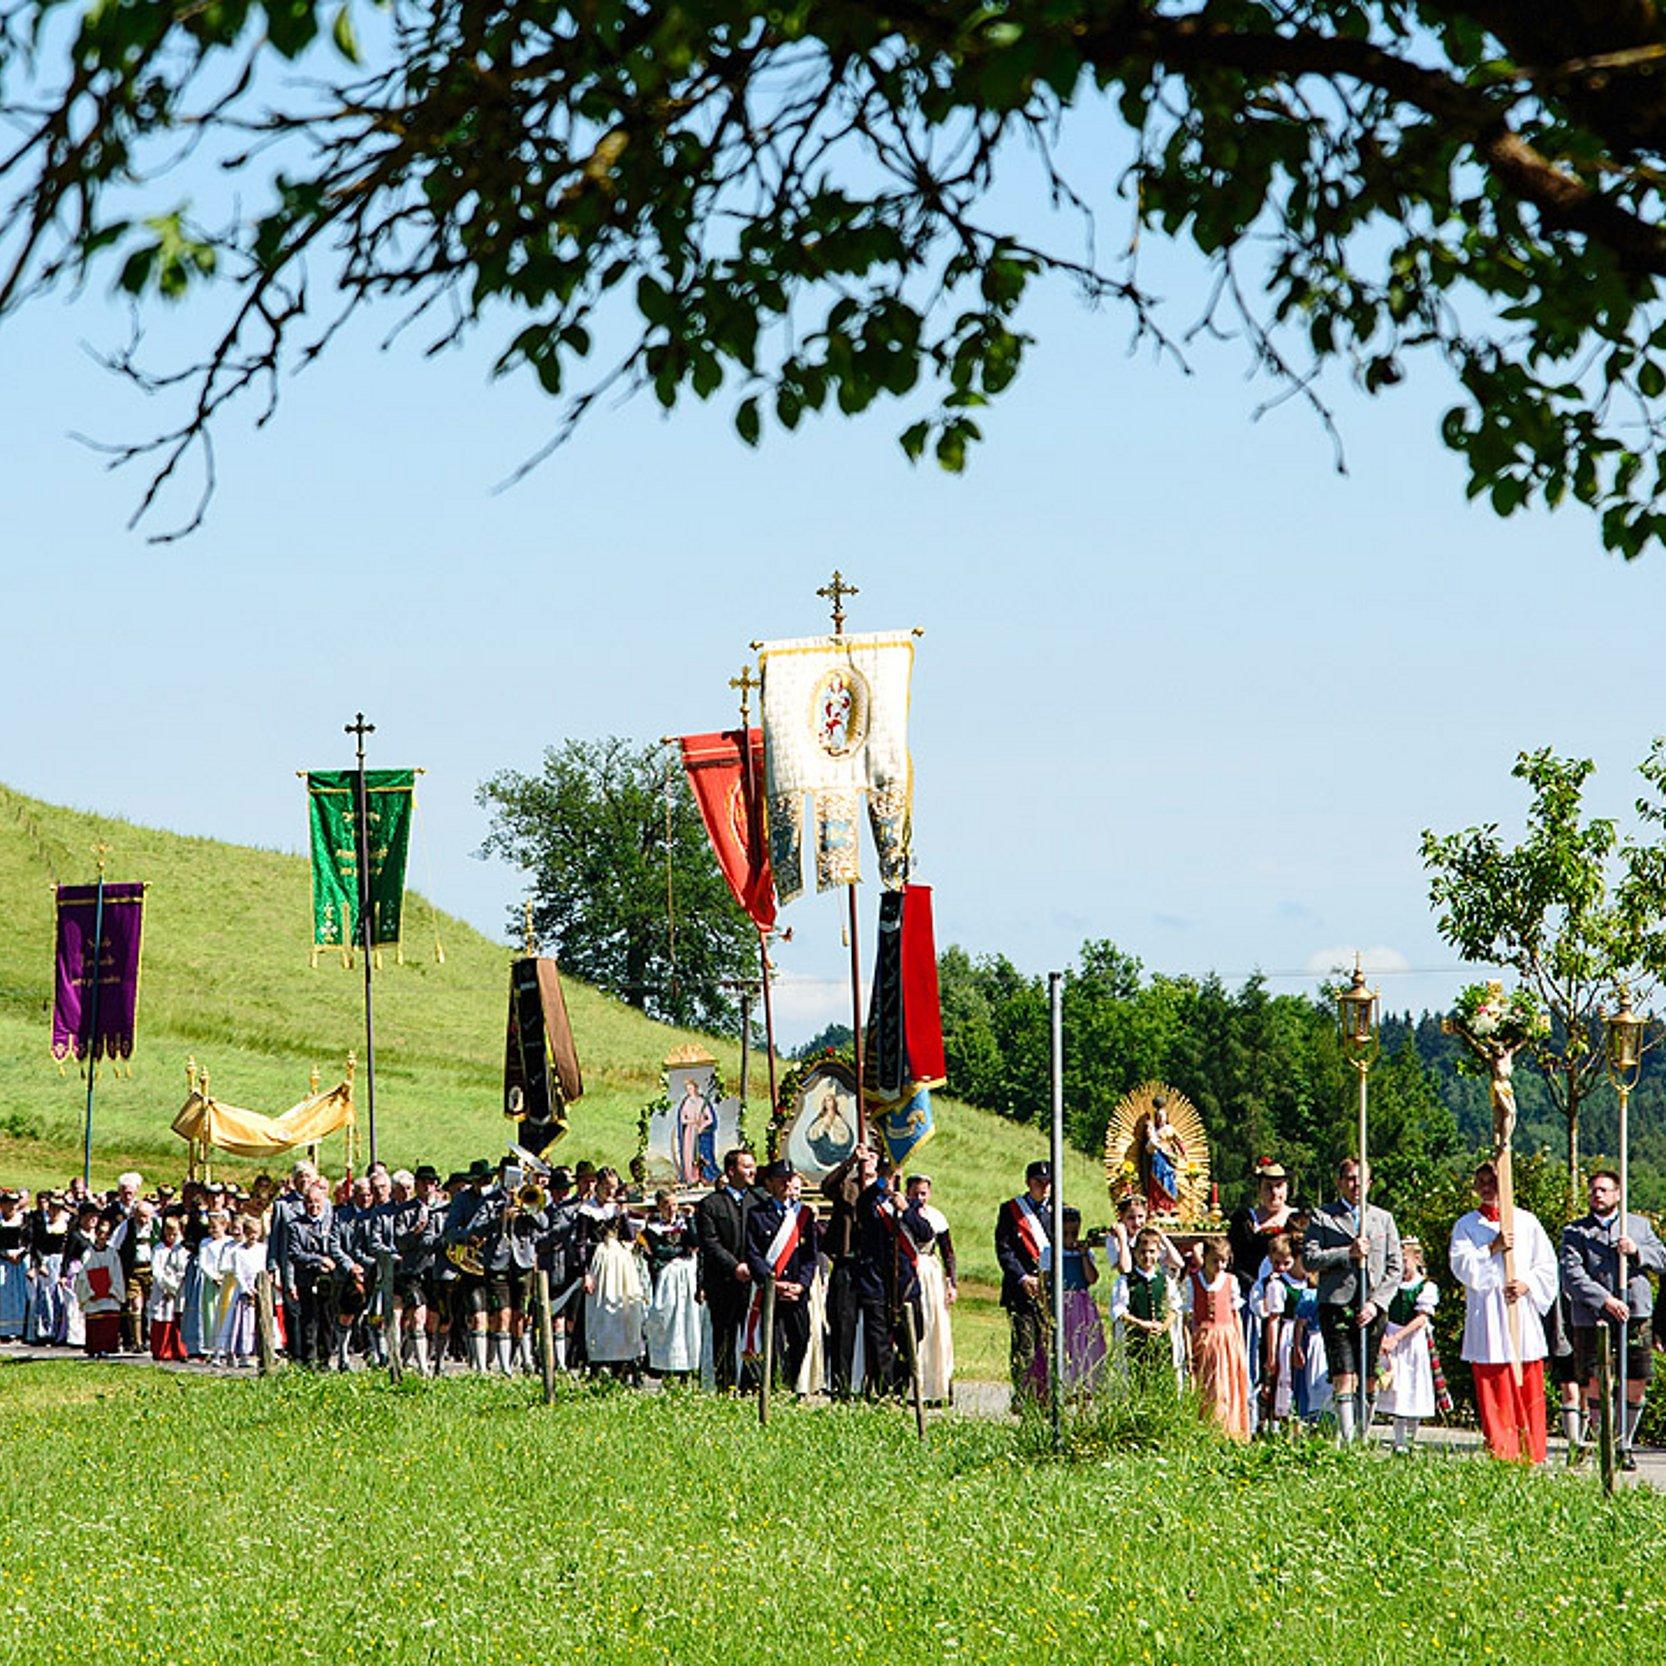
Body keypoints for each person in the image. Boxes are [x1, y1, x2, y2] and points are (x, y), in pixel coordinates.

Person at [1449, 1159, 1558, 1463]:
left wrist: (1527, 1284)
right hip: (1488, 1316)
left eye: (1492, 1181)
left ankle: (1532, 1452)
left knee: (1527, 1383)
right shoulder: (1466, 1225)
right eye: (1481, 1181)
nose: (1486, 1187)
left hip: (1519, 1313)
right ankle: (1502, 1451)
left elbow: (1547, 1266)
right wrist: (1492, 1248)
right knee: (1494, 1386)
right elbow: (1461, 1266)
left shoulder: (1526, 1222)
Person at [1559, 1168, 1666, 1470]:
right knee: (1594, 1380)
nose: (1598, 1194)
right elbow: (1571, 1275)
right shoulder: (1575, 1232)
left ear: (1618, 1194)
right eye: (1594, 1190)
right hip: (1593, 1317)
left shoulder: (1638, 1226)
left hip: (1635, 1313)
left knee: (1636, 1379)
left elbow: (1663, 1260)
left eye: (1604, 1189)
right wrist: (1604, 1299)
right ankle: (1604, 1442)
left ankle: (1625, 1443)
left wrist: (1636, 1251)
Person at [1301, 1156, 1402, 1444]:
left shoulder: (1383, 1219)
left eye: (1361, 1179)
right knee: (1344, 1372)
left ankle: (1363, 1434)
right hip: (1337, 1305)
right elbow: (1310, 1259)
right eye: (1349, 1178)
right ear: (1339, 1182)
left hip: (1373, 1307)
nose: (1356, 1185)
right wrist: (1348, 1253)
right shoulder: (1323, 1217)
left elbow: (1394, 1267)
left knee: (1369, 1374)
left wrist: (1376, 1303)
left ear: (1370, 1183)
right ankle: (1346, 1439)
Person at [743, 1160, 821, 1390]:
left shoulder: (803, 1214)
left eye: (789, 1179)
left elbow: (810, 1256)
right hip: (772, 1291)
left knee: (801, 1338)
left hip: (796, 1292)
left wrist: (801, 1285)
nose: (787, 1183)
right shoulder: (757, 1214)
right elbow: (753, 1253)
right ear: (770, 1184)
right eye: (781, 1179)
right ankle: (773, 1386)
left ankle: (791, 1383)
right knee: (772, 1342)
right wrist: (772, 1283)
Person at [695, 1147, 759, 1391]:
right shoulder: (711, 1204)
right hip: (723, 1281)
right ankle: (725, 1383)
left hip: (753, 1281)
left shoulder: (758, 1201)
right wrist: (734, 1266)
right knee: (724, 1334)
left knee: (752, 1334)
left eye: (752, 1165)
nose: (752, 1170)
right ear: (731, 1171)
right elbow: (710, 1243)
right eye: (746, 1166)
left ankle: (750, 1383)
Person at [819, 1146, 875, 1399]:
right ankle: (840, 1386)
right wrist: (850, 1162)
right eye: (866, 1156)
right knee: (843, 1326)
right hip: (847, 1263)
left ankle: (874, 1385)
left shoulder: (886, 1190)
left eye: (873, 1156)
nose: (868, 1161)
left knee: (876, 1330)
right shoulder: (848, 1186)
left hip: (874, 1268)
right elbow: (827, 1186)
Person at [996, 1160, 1052, 1405]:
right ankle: (1023, 1394)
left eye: (1048, 1183)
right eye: (1039, 1183)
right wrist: (1022, 1277)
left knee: (1048, 1345)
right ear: (1028, 1183)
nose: (1045, 1188)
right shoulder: (1010, 1210)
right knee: (1024, 1345)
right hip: (1021, 1289)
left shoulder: (1060, 1212)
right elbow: (1004, 1249)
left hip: (1049, 1289)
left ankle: (1047, 1394)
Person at [1183, 1237, 1250, 1441]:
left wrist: (1240, 1344)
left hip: (1227, 1338)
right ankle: (1207, 1430)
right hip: (1204, 1339)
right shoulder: (1193, 1282)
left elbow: (1235, 1315)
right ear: (1204, 1258)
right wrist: (1188, 1349)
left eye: (1224, 1261)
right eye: (1215, 1261)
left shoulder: (1230, 1281)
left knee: (1227, 1384)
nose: (1220, 1266)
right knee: (1208, 1385)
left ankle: (1229, 1431)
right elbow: (1188, 1318)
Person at [1376, 1236, 1440, 1453]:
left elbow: (1421, 1318)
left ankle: (1411, 1438)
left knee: (1414, 1386)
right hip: (1390, 1338)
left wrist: (1397, 1337)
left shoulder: (1425, 1286)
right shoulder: (1391, 1285)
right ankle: (1399, 1439)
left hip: (1412, 1342)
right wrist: (1384, 1337)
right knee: (1397, 1388)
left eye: (1404, 1260)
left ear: (1416, 1258)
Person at [906, 1173, 956, 1405]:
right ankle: (909, 1385)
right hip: (908, 1269)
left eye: (923, 1193)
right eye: (915, 1193)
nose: (919, 1197)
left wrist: (951, 1282)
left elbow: (948, 1252)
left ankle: (936, 1386)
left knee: (935, 1326)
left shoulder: (936, 1217)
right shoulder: (901, 1213)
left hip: (930, 1272)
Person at [642, 1190, 700, 1380]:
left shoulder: (682, 1224)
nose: (671, 1209)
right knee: (666, 1317)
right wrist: (681, 1250)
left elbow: (695, 1242)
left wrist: (690, 1219)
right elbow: (659, 1251)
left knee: (688, 1318)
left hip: (686, 1275)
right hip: (666, 1277)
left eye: (674, 1205)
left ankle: (690, 1364)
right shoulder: (653, 1227)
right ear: (659, 1206)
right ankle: (666, 1364)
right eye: (667, 1205)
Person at [1251, 1233, 1304, 1433]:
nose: (1281, 1268)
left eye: (1286, 1263)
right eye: (1276, 1263)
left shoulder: (1306, 1282)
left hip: (1303, 1334)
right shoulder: (1274, 1285)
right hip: (1281, 1334)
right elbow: (1270, 1317)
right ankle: (1269, 1423)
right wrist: (1271, 1355)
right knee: (1275, 1378)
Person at [1112, 1226, 1178, 1383]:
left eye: (1152, 1252)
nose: (1147, 1256)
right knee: (1137, 1379)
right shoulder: (1126, 1281)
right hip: (1136, 1341)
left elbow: (1175, 1307)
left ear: (1159, 1253)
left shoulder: (1165, 1280)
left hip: (1162, 1341)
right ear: (1135, 1253)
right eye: (1143, 1252)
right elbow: (1119, 1311)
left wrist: (1163, 1326)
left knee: (1163, 1378)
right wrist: (1141, 1324)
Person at [1058, 1207, 1106, 1392]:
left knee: (1085, 1343)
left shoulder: (1083, 1253)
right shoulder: (1051, 1252)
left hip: (1081, 1304)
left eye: (1074, 1233)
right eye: (1066, 1233)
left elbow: (1092, 1278)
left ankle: (1085, 1383)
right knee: (1064, 1344)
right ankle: (1064, 1384)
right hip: (1061, 1301)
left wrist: (1084, 1254)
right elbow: (1046, 1281)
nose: (1070, 1238)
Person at [75, 1215, 126, 1358]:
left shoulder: (112, 1253)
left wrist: (113, 1290)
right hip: (93, 1294)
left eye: (106, 1234)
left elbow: (117, 1273)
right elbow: (83, 1275)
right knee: (95, 1322)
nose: (102, 1237)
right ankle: (94, 1348)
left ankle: (107, 1348)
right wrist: (90, 1291)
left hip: (109, 1293)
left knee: (108, 1322)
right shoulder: (88, 1253)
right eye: (100, 1233)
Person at [146, 1215, 190, 1362]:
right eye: (168, 1233)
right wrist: (167, 1288)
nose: (171, 1237)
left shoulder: (182, 1249)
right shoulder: (158, 1249)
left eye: (174, 1234)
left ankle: (180, 1350)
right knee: (162, 1319)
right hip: (163, 1290)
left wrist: (175, 1286)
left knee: (177, 1319)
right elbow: (157, 1271)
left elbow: (183, 1269)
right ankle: (162, 1350)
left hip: (178, 1288)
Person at [0, 1189, 29, 1342]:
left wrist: (21, 1254)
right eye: (8, 1204)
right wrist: (5, 1254)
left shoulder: (24, 1220)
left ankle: (18, 1329)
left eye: (14, 1204)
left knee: (19, 1295)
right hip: (3, 1260)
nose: (11, 1207)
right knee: (3, 1294)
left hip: (19, 1260)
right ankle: (3, 1329)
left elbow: (29, 1241)